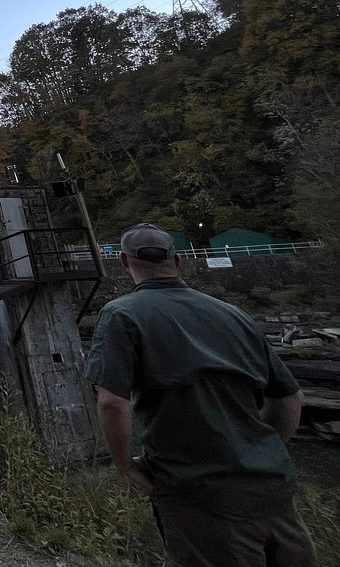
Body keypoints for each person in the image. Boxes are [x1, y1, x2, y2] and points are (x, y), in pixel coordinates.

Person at [84, 223, 317, 566]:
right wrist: (264, 451)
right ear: (177, 262)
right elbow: (289, 398)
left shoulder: (121, 314)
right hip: (274, 491)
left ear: (123, 261)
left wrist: (123, 464)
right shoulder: (234, 314)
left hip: (198, 494)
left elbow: (111, 401)